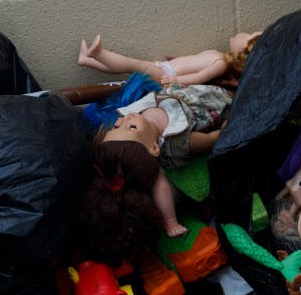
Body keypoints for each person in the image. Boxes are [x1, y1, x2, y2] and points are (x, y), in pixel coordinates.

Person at [80, 81, 232, 271]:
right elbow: (210, 140)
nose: (126, 119)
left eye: (117, 125)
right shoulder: (178, 140)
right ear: (153, 148)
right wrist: (171, 222)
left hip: (185, 91)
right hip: (213, 102)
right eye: (131, 127)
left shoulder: (134, 114)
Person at [78, 31, 262, 87]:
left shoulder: (220, 64)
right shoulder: (219, 57)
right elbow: (192, 62)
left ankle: (99, 54)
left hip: (167, 75)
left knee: (131, 64)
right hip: (166, 67)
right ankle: (86, 59)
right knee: (124, 68)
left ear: (243, 52)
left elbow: (199, 77)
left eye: (249, 35)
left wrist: (176, 80)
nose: (244, 32)